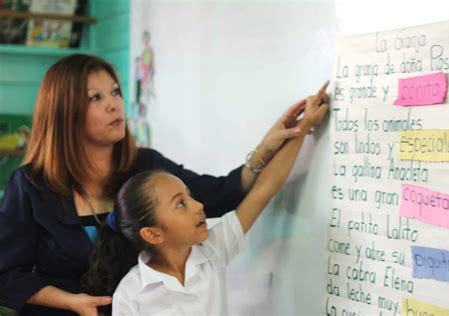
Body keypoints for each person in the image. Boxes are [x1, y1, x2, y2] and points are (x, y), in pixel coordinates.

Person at [0, 53, 317, 315]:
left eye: (115, 92)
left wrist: (272, 144)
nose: (114, 104)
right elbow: (6, 276)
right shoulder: (30, 186)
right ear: (65, 114)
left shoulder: (147, 166)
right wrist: (71, 301)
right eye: (95, 98)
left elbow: (221, 195)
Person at [83, 81, 329, 315]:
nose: (198, 205)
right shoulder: (131, 293)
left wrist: (304, 127)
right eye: (181, 203)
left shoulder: (212, 250)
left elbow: (265, 187)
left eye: (189, 196)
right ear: (153, 234)